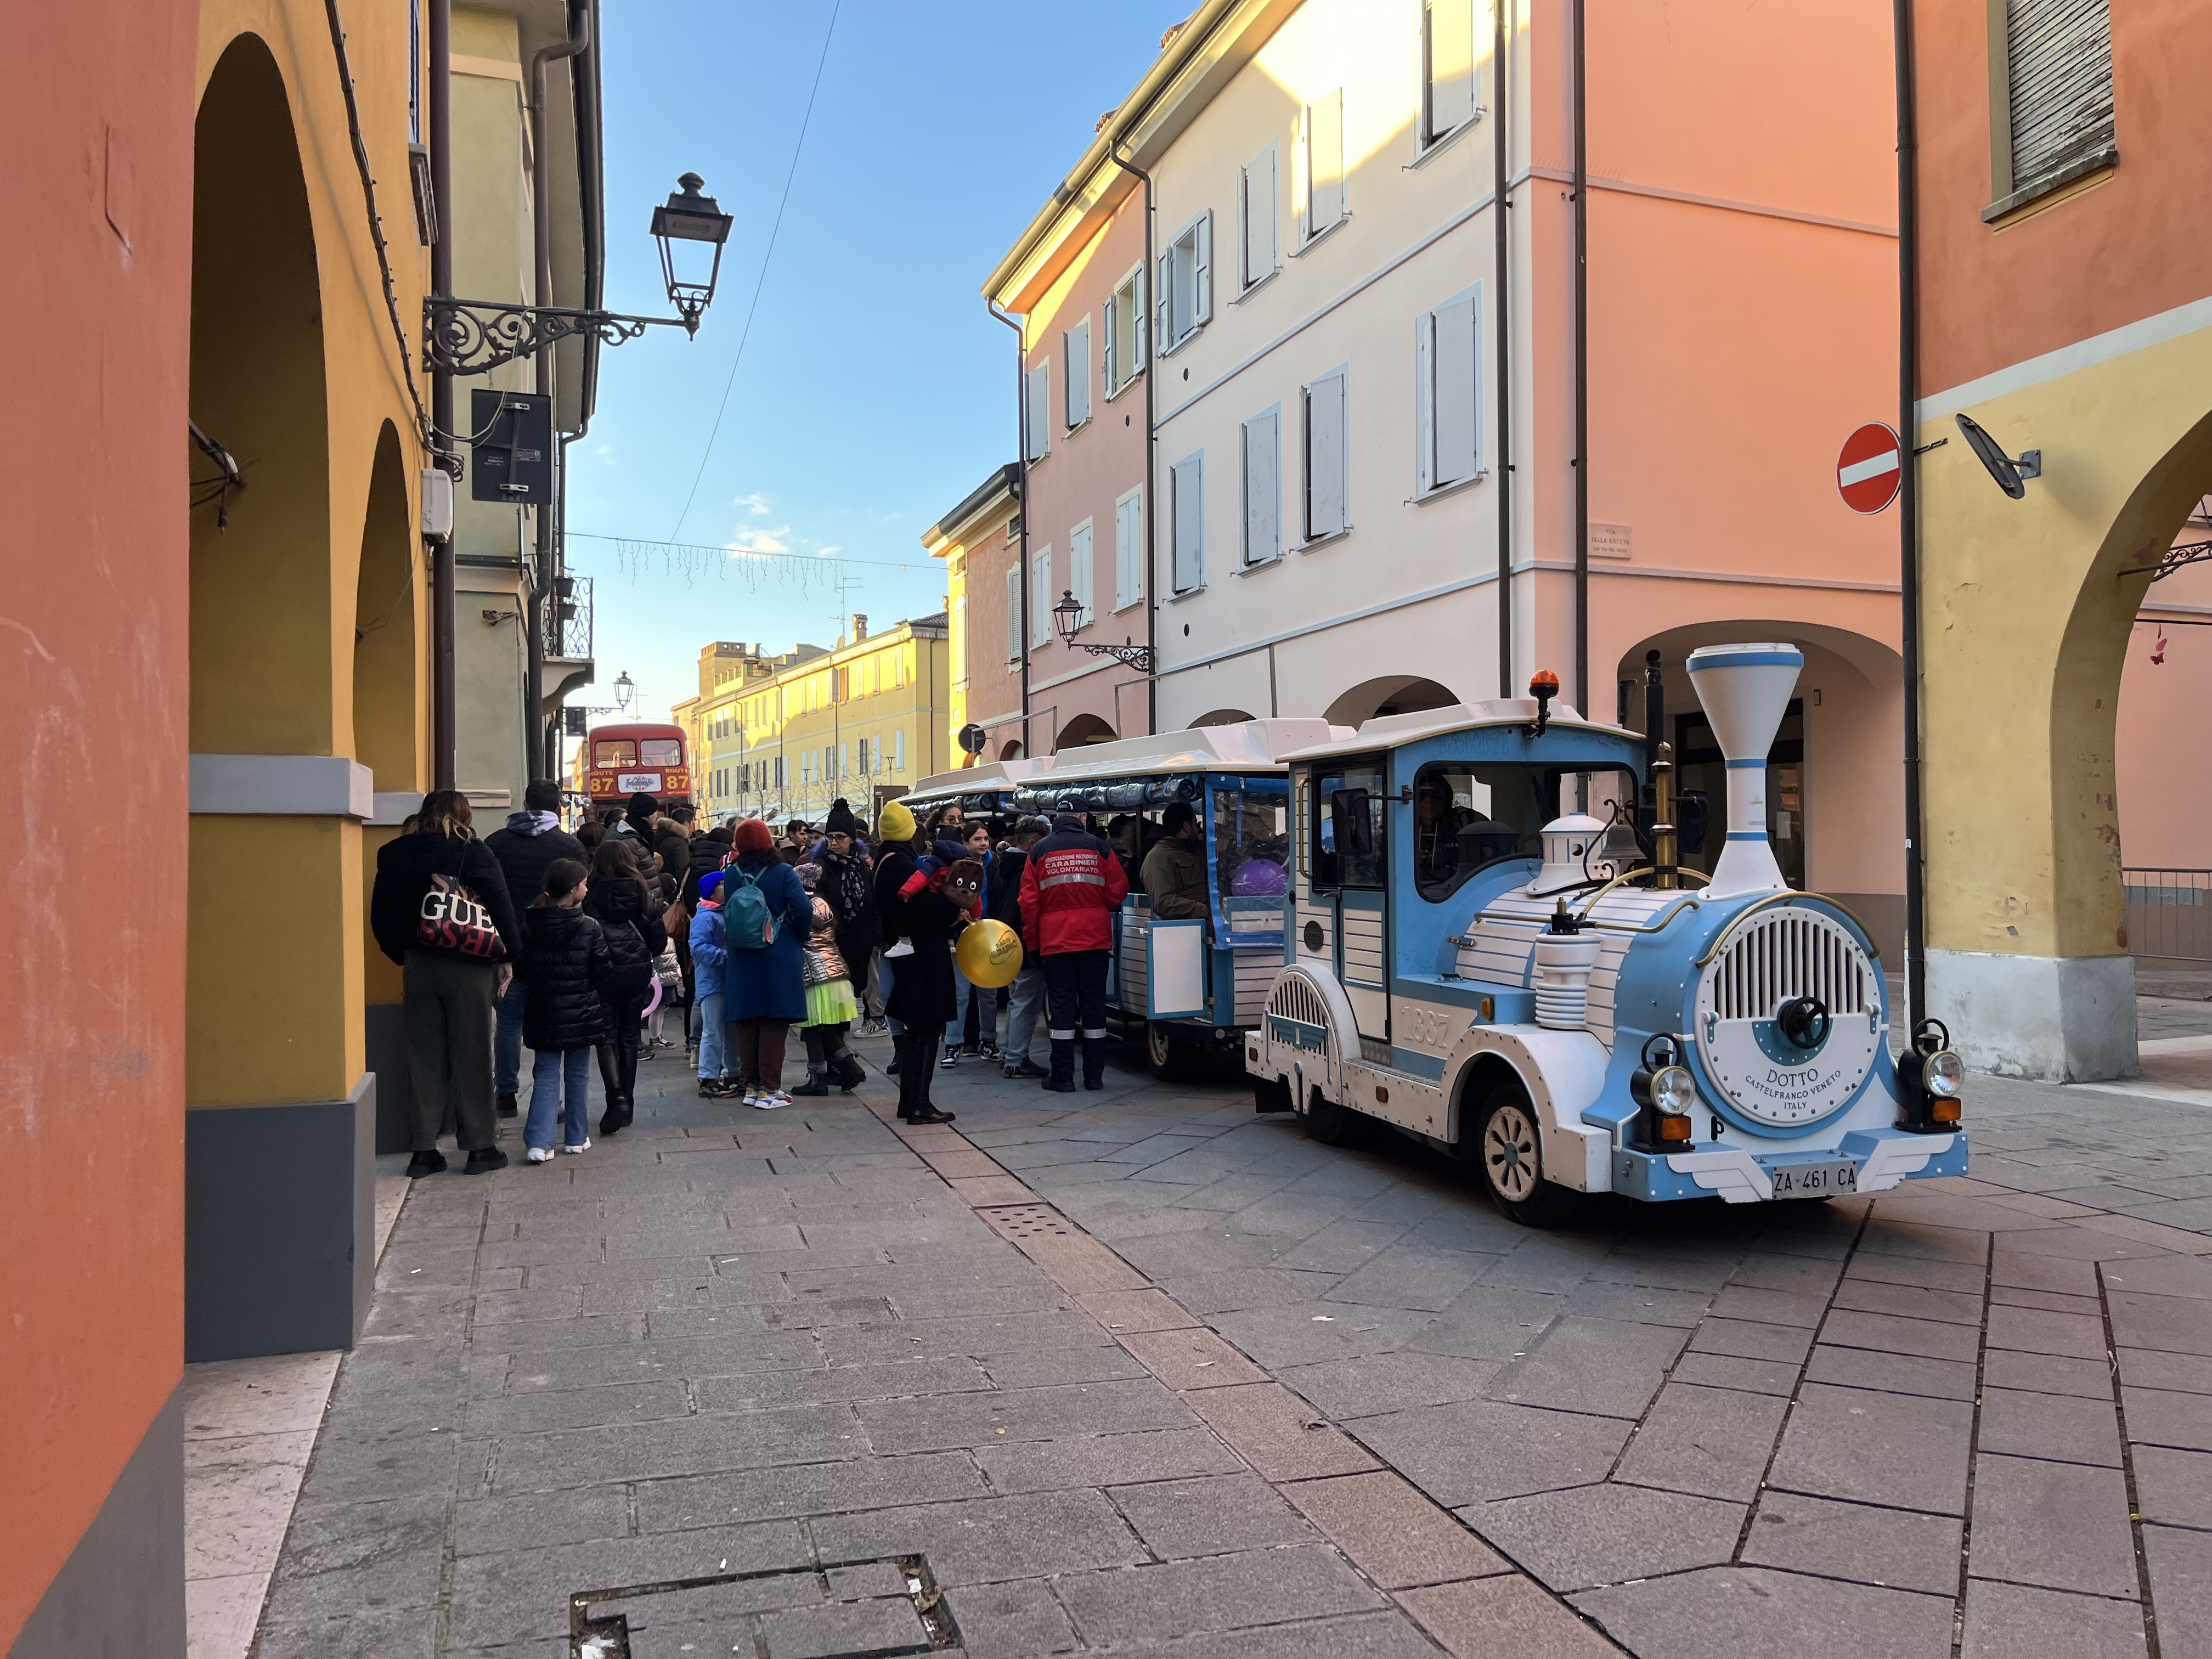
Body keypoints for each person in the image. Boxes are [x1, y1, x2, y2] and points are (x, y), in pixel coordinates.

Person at [370, 789, 521, 1177]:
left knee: (423, 1056)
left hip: (419, 963)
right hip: (469, 962)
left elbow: (381, 915)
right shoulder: (472, 850)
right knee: (472, 1052)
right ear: (463, 815)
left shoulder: (393, 853)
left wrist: (403, 953)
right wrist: (509, 955)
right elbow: (500, 903)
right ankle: (479, 1147)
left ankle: (424, 1151)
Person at [483, 780, 588, 1118]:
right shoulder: (568, 845)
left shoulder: (496, 843)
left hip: (508, 945)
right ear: (558, 806)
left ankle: (507, 1093)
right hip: (554, 946)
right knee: (549, 1021)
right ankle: (548, 1100)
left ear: (526, 803)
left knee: (509, 1022)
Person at [1020, 807, 1130, 1093]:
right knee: (1094, 1006)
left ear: (1057, 818)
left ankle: (1062, 1077)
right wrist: (1094, 907)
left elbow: (1028, 904)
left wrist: (1033, 944)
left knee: (1062, 1008)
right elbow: (1118, 891)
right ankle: (1094, 1076)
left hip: (1056, 942)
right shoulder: (1100, 847)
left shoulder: (1039, 851)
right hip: (1095, 939)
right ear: (1082, 817)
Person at [516, 857, 610, 1162]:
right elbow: (602, 970)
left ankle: (539, 1142)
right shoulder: (588, 927)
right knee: (578, 1073)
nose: (586, 887)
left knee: (545, 1074)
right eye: (583, 883)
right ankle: (576, 1137)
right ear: (572, 890)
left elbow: (523, 969)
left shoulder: (531, 925)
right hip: (581, 1011)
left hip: (543, 1010)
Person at [719, 816, 813, 1108]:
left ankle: (751, 1086)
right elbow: (803, 909)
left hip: (741, 954)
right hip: (778, 952)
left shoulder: (731, 873)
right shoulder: (783, 871)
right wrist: (799, 935)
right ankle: (769, 1090)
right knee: (774, 1023)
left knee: (747, 1022)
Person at [583, 838, 665, 1136]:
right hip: (636, 972)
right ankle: (627, 1101)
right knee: (630, 1035)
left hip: (601, 971)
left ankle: (614, 1097)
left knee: (606, 1035)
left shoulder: (588, 895)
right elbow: (658, 941)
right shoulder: (645, 894)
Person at [885, 851, 972, 1124]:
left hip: (914, 961)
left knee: (917, 1032)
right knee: (928, 1031)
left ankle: (908, 1101)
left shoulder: (903, 872)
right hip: (927, 963)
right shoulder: (916, 880)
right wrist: (955, 913)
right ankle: (920, 1104)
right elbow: (934, 912)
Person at [791, 862, 866, 1096]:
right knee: (826, 1029)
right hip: (836, 973)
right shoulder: (823, 905)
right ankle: (848, 1069)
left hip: (814, 975)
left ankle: (818, 1080)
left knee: (812, 1029)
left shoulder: (798, 909)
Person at [992, 816, 1051, 1079]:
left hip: (1005, 939)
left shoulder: (1002, 864)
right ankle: (1016, 1060)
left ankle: (1008, 1054)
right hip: (1024, 941)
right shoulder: (1027, 866)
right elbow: (1027, 908)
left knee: (1017, 1000)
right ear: (1032, 843)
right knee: (1026, 1001)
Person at [871, 799, 921, 1075]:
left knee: (891, 996)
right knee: (903, 997)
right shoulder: (904, 863)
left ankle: (901, 1049)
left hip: (888, 940)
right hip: (904, 942)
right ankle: (906, 1051)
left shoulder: (883, 858)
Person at [946, 820, 1000, 1065]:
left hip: (989, 934)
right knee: (959, 993)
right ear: (966, 843)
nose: (983, 844)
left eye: (986, 839)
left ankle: (988, 1041)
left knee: (988, 993)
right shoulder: (958, 867)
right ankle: (952, 1044)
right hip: (963, 934)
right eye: (977, 840)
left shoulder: (995, 865)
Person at [817, 817, 879, 1030]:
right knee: (836, 1005)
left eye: (840, 838)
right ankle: (837, 1053)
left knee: (855, 992)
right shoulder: (821, 866)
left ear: (851, 840)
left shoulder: (861, 866)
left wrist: (873, 934)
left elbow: (872, 902)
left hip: (860, 942)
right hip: (833, 945)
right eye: (830, 837)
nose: (834, 843)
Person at [690, 871, 737, 1097]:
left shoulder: (724, 912)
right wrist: (725, 956)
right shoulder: (705, 917)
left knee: (731, 1031)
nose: (725, 887)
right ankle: (708, 1077)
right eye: (721, 884)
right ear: (711, 891)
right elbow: (698, 948)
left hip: (727, 981)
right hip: (712, 983)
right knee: (713, 1031)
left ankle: (732, 1073)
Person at [1139, 801, 1211, 923]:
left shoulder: (1193, 851)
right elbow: (1165, 903)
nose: (1197, 829)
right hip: (1189, 927)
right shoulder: (1159, 857)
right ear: (1187, 826)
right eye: (1195, 824)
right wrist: (1208, 910)